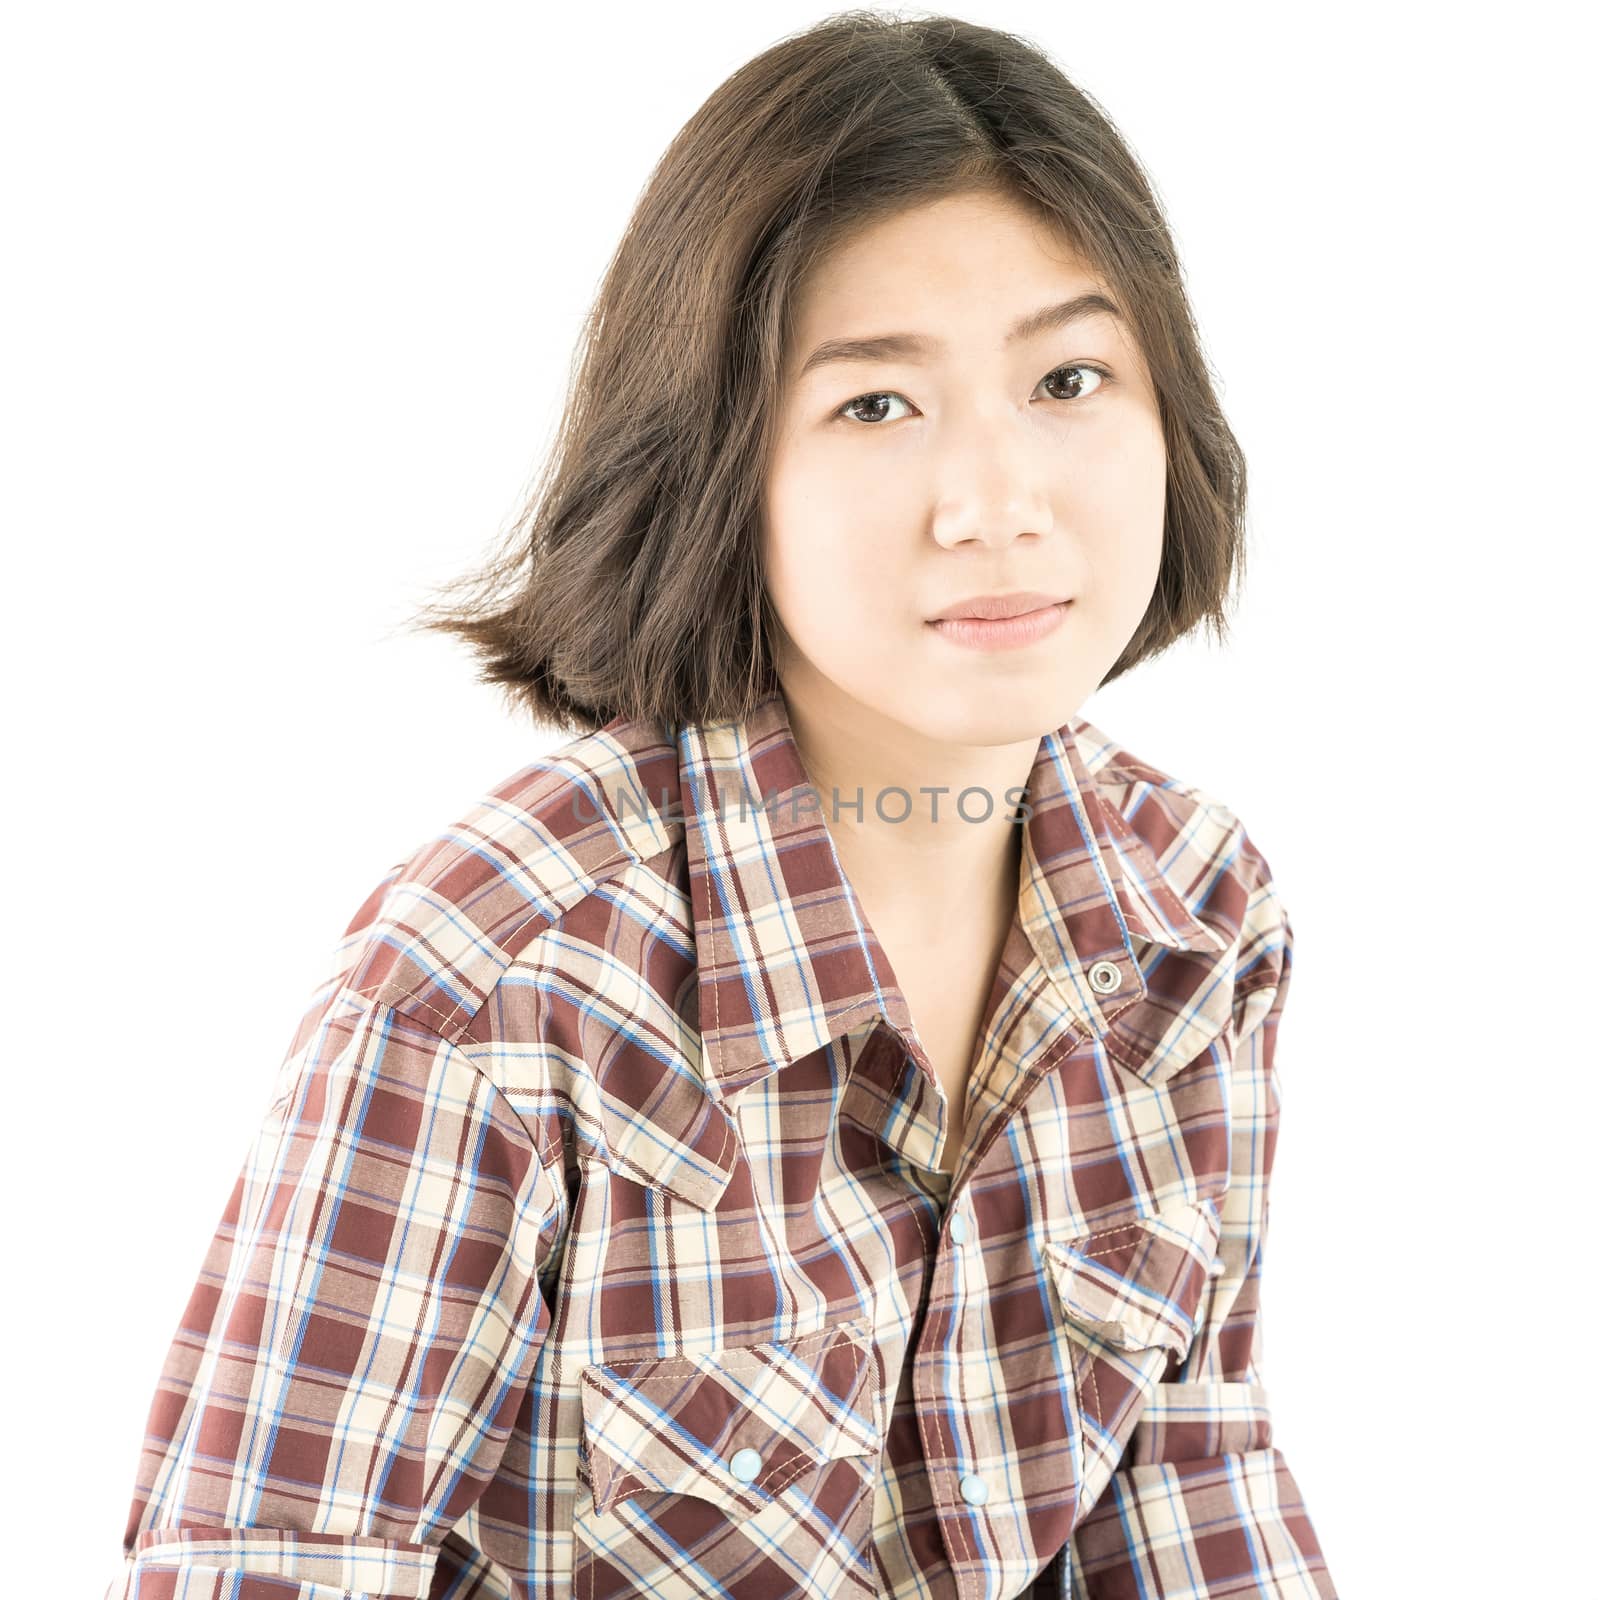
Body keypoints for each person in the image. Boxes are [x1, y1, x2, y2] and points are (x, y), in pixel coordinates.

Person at [99, 12, 1338, 1599]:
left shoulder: (1193, 916)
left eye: (1069, 378)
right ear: (714, 462)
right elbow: (264, 1561)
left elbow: (1182, 1480)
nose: (999, 506)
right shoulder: (502, 978)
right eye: (874, 406)